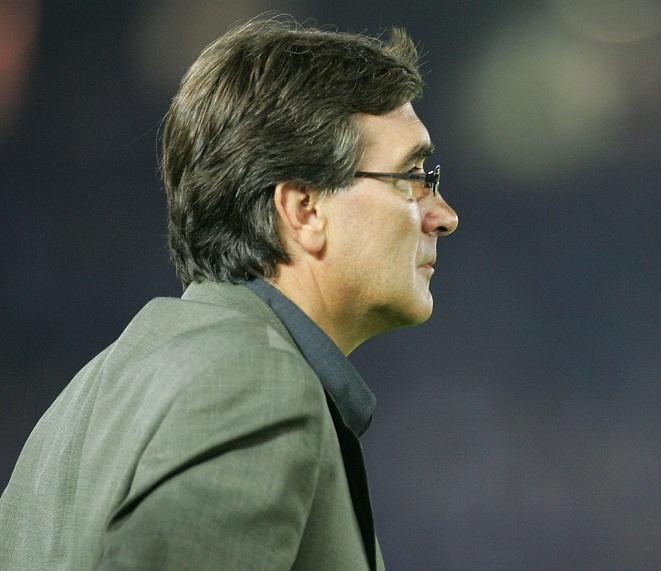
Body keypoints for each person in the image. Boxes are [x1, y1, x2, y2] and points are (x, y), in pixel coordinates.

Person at [0, 16, 457, 571]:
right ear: (304, 210)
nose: (443, 216)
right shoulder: (257, 382)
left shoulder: (95, 392)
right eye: (412, 177)